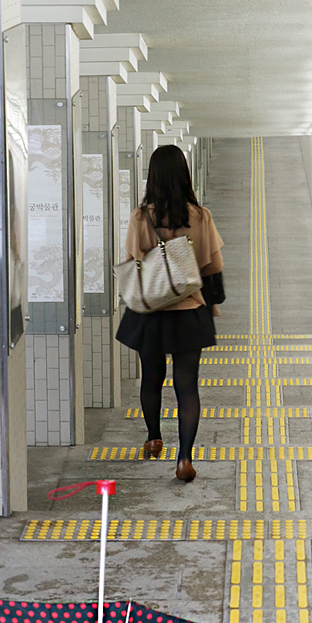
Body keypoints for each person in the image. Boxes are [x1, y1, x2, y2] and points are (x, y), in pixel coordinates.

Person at [116, 145, 225, 482]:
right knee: (187, 386)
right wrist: (212, 300)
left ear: (152, 176)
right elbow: (213, 266)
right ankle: (185, 460)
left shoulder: (140, 217)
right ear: (183, 174)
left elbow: (132, 259)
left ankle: (154, 438)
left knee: (151, 377)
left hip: (150, 312)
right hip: (188, 311)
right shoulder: (200, 216)